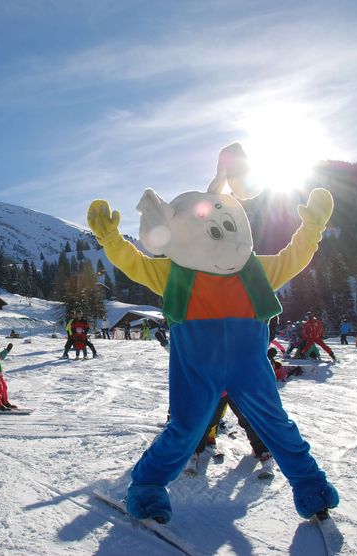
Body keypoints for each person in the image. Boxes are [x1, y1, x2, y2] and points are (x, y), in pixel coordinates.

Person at [87, 151, 339, 522]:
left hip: (249, 370)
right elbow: (135, 263)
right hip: (196, 371)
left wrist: (312, 229)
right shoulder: (177, 274)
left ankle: (309, 484)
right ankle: (147, 486)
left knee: (276, 426)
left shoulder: (255, 271)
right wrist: (110, 240)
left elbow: (293, 256)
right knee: (185, 430)